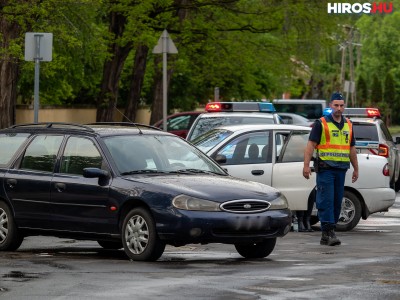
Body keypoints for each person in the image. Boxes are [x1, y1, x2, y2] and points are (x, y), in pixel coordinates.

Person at [303, 92, 359, 246]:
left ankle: (326, 234)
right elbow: (310, 145)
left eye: (341, 105)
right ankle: (329, 232)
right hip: (326, 169)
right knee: (326, 201)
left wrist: (356, 168)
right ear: (330, 106)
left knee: (336, 202)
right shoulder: (321, 123)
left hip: (341, 169)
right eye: (336, 105)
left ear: (344, 106)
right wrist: (306, 165)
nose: (339, 108)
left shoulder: (348, 124)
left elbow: (351, 148)